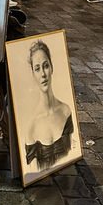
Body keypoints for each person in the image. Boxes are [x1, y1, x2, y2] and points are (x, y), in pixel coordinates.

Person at [24, 40, 74, 170]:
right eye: (37, 68)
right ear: (33, 74)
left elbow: (71, 152)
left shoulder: (65, 111)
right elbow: (32, 171)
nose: (43, 74)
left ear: (52, 68)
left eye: (46, 66)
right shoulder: (31, 126)